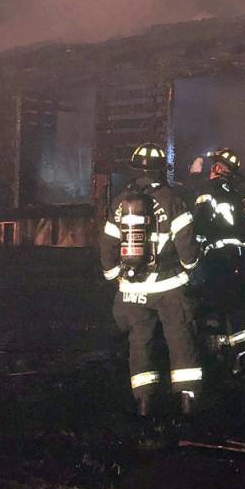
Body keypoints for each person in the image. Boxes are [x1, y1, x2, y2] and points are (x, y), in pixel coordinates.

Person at [99, 143, 201, 416]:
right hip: (169, 286)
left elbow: (108, 246)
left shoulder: (120, 203)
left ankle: (145, 404)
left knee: (140, 342)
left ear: (134, 169)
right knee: (180, 338)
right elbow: (187, 246)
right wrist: (189, 268)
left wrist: (115, 277)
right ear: (161, 170)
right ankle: (188, 403)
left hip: (133, 290)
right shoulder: (173, 199)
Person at [192, 147, 245, 374]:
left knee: (220, 305)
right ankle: (244, 356)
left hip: (219, 258)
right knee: (237, 305)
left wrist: (192, 254)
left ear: (217, 167)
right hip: (243, 258)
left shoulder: (208, 190)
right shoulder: (239, 192)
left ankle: (225, 359)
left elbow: (199, 224)